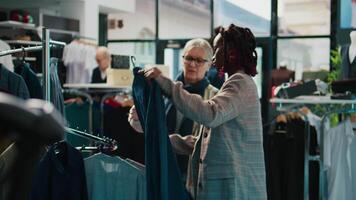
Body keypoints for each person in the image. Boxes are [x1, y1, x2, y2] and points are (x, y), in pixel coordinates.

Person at [139, 24, 267, 199]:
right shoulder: (233, 84)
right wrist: (158, 136)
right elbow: (199, 143)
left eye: (217, 49)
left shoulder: (240, 83)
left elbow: (210, 114)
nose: (213, 56)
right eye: (189, 58)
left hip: (234, 188)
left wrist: (166, 84)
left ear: (231, 52)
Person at [128, 38, 218, 184]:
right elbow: (148, 128)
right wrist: (137, 119)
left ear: (209, 65)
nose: (192, 64)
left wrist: (163, 139)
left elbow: (206, 144)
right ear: (182, 59)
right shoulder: (163, 90)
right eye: (188, 58)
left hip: (194, 176)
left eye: (199, 60)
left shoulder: (215, 97)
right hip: (162, 168)